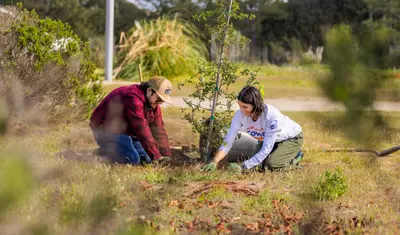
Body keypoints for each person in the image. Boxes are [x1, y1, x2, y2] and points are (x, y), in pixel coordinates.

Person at [201, 85, 304, 173]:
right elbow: (228, 141)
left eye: (245, 107)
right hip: (268, 139)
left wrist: (242, 167)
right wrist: (215, 161)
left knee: (270, 165)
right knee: (256, 166)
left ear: (255, 105)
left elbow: (266, 149)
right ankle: (278, 156)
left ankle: (296, 159)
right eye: (240, 106)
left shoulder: (271, 116)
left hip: (291, 138)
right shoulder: (239, 115)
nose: (242, 110)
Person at [89, 76, 172, 165]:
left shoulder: (154, 106)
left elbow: (159, 130)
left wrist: (166, 156)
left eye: (162, 101)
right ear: (149, 91)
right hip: (105, 130)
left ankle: (112, 150)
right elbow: (141, 129)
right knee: (131, 159)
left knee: (146, 160)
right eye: (159, 99)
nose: (160, 103)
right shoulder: (132, 98)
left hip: (128, 133)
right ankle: (102, 154)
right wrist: (157, 157)